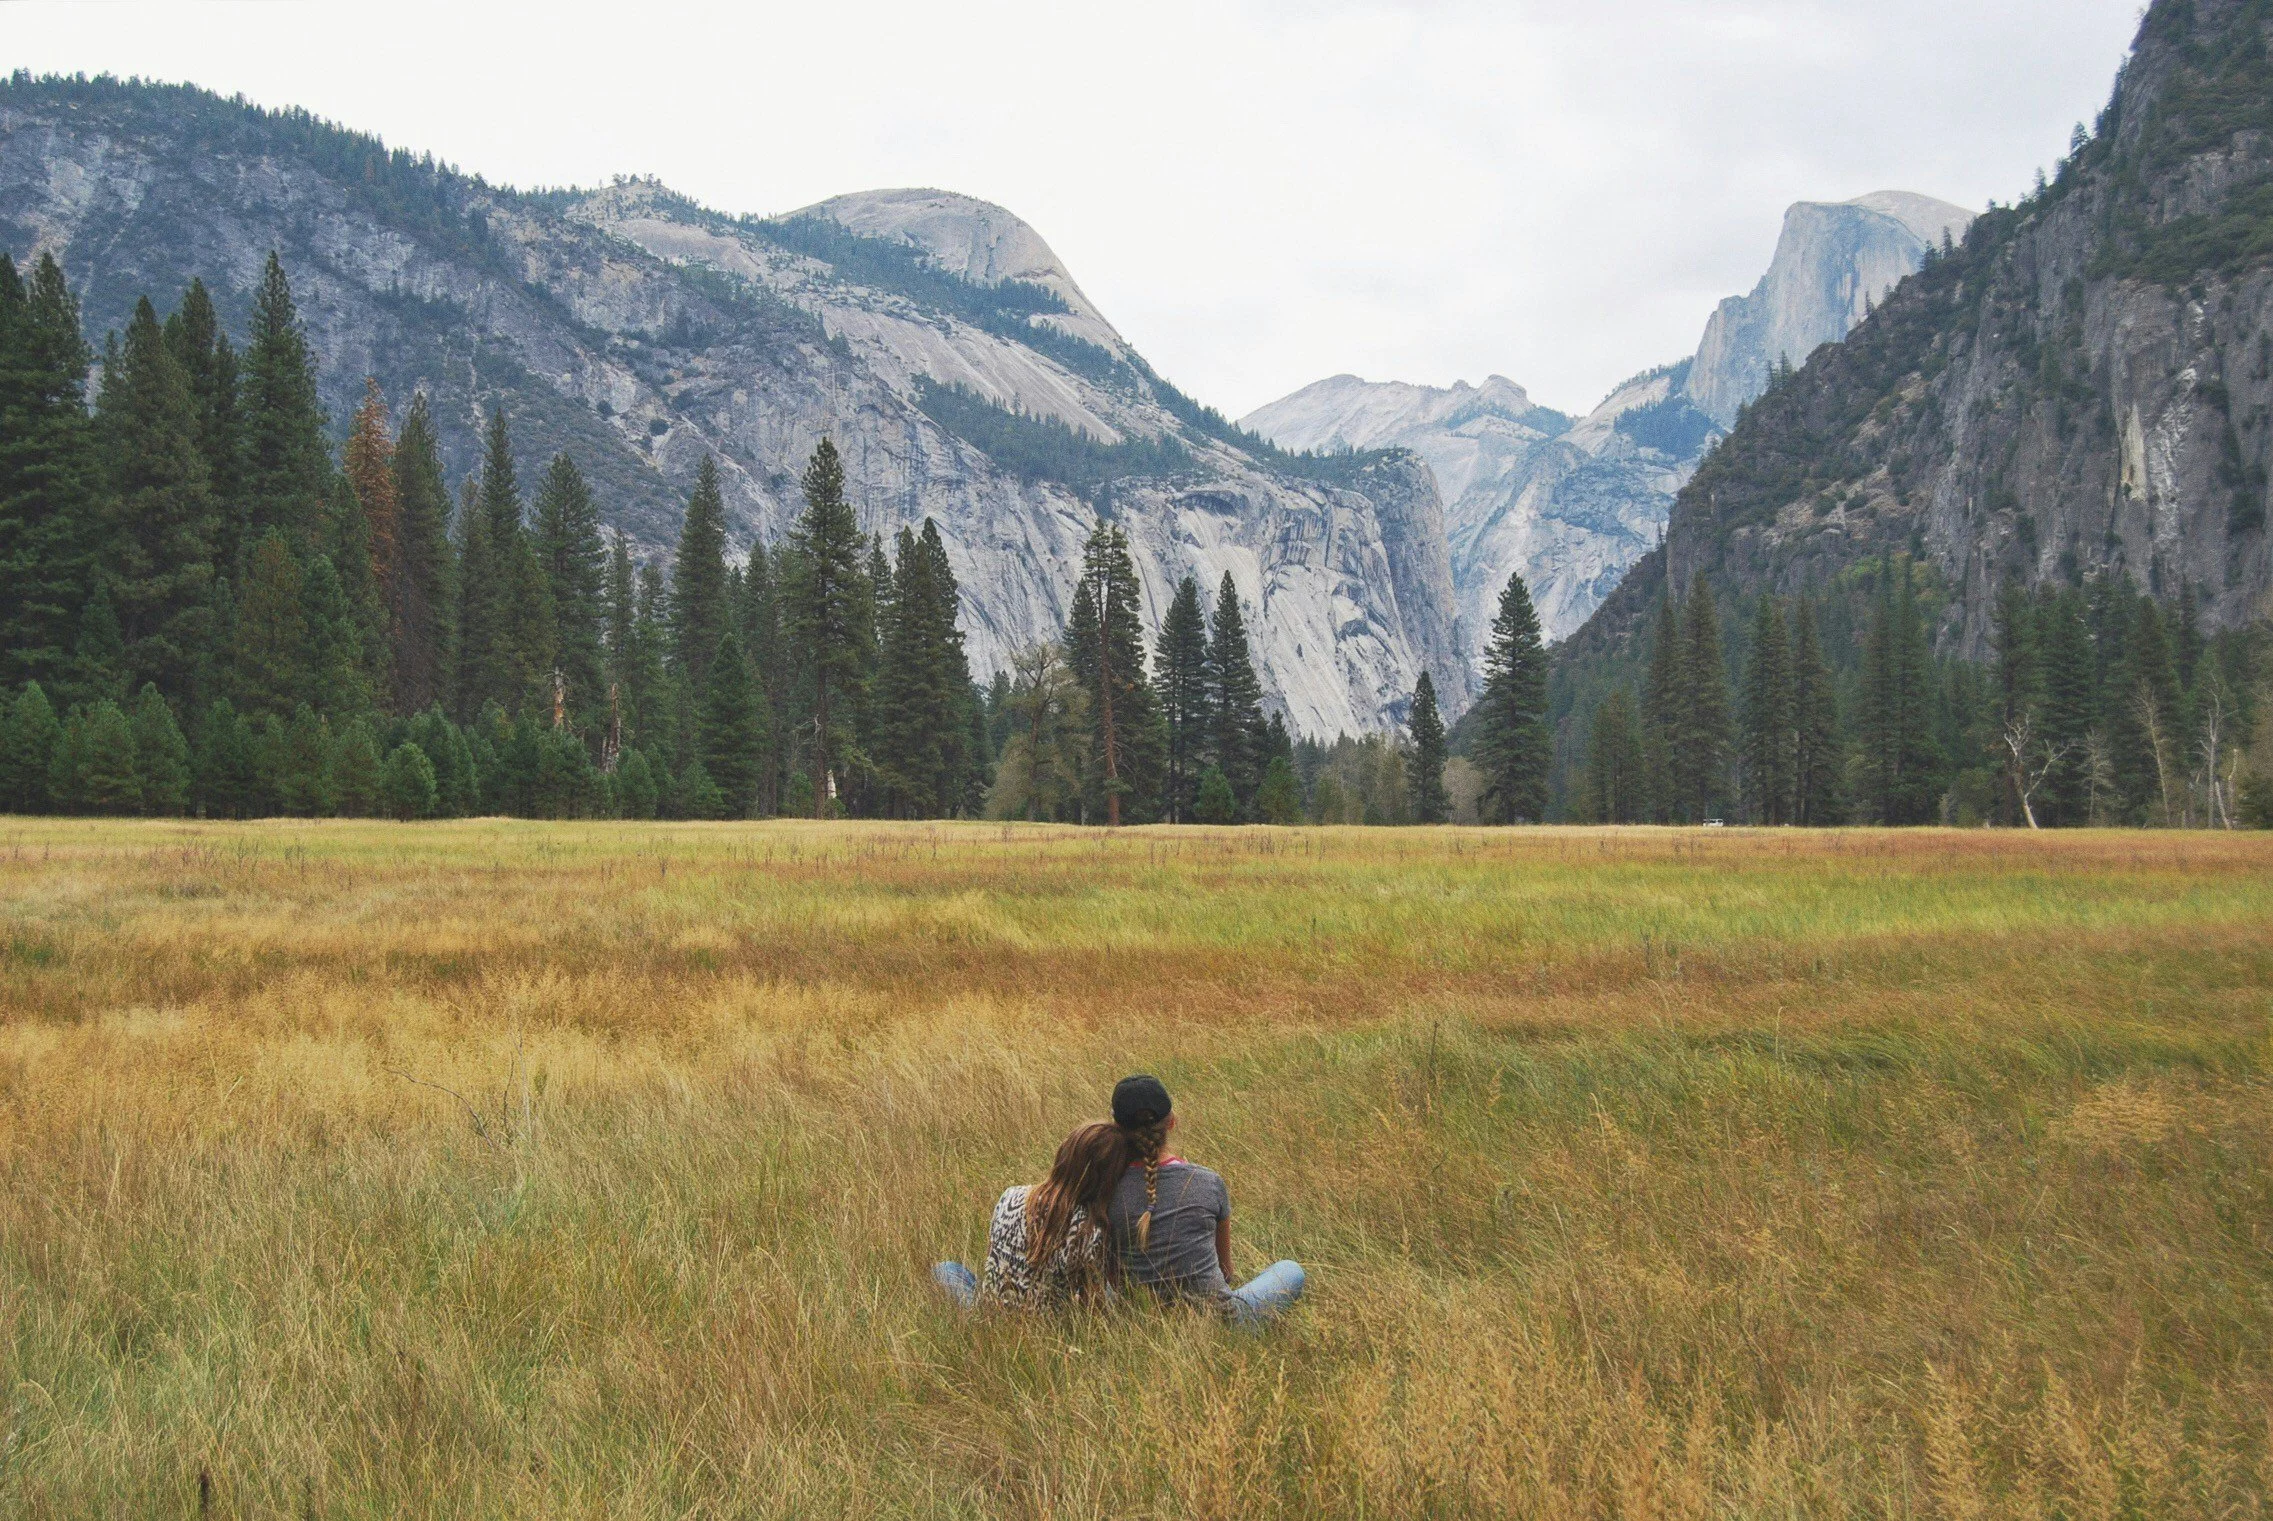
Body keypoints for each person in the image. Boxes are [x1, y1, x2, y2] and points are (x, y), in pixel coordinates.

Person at [1106, 1074, 1305, 1326]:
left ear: (1115, 1127)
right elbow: (1226, 1271)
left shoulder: (1104, 1188)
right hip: (1219, 1322)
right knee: (1290, 1270)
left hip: (1139, 1323)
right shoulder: (1207, 1181)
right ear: (1172, 1122)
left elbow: (1108, 1275)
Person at [933, 1120, 1125, 1311]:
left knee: (945, 1269)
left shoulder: (1010, 1196)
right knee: (1113, 1292)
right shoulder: (1089, 1230)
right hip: (1047, 1328)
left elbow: (993, 1261)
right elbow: (1092, 1308)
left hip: (990, 1313)